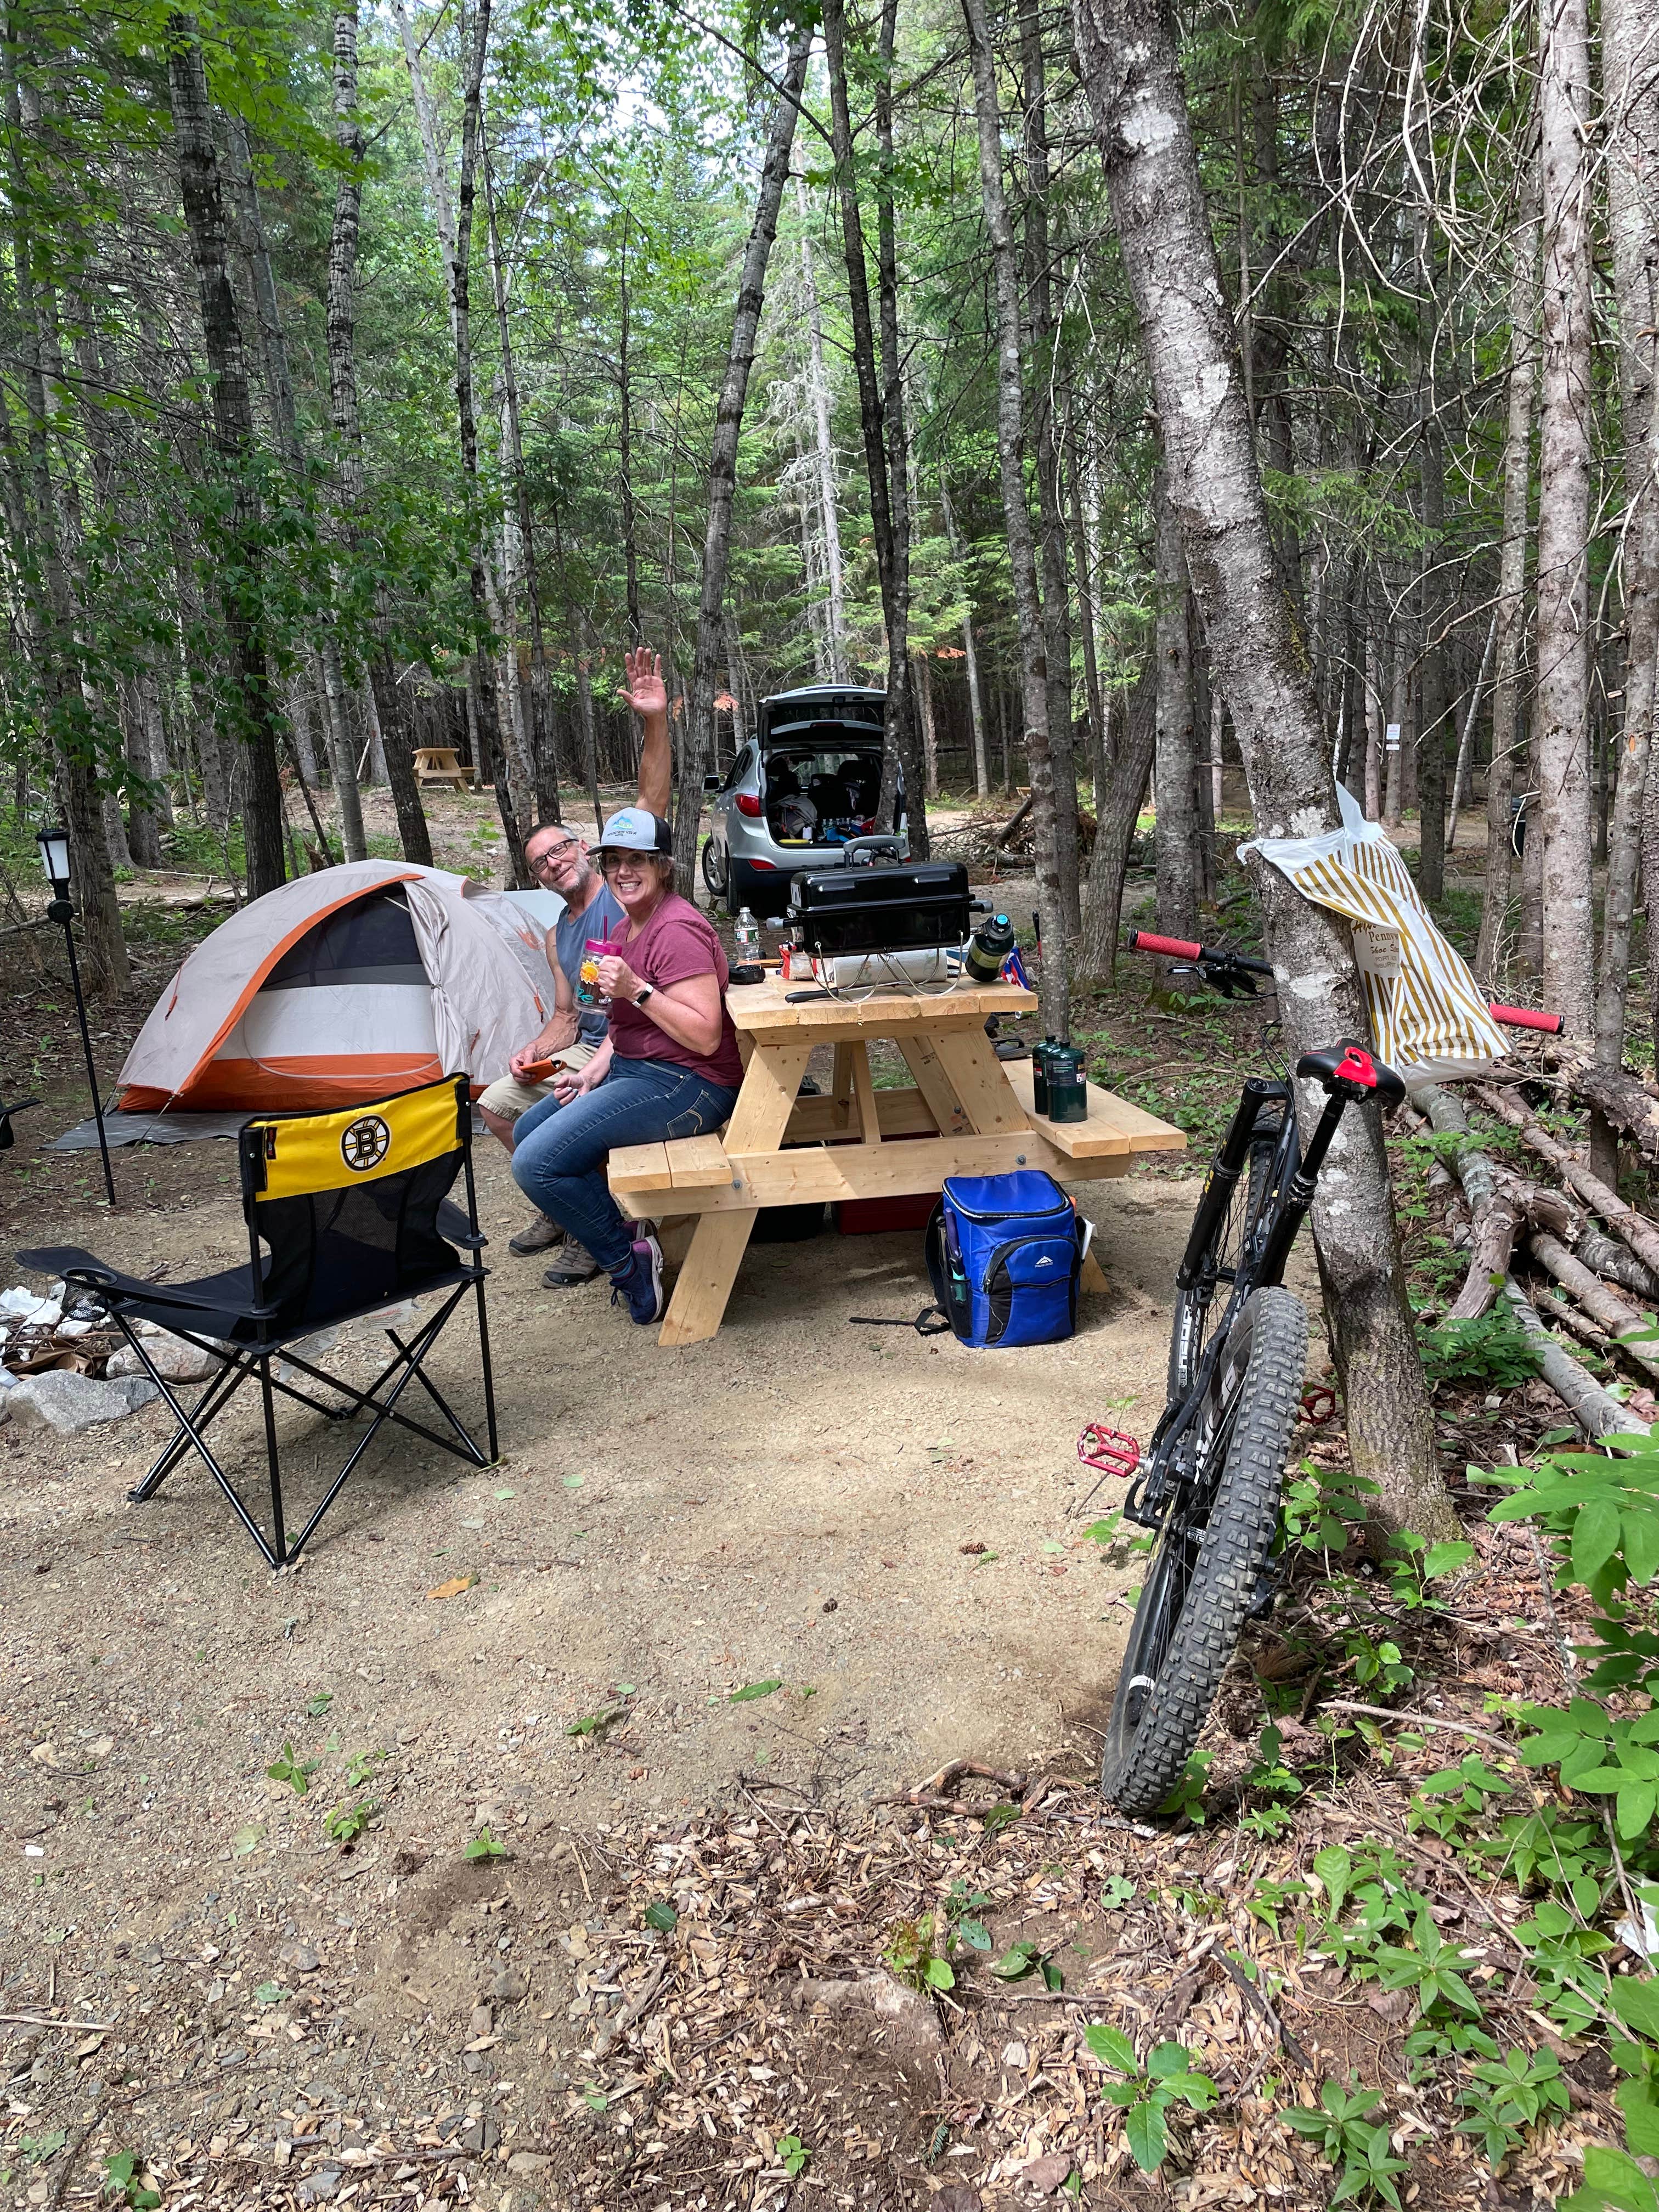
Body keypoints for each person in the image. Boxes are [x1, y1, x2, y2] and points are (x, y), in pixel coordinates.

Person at [479, 645, 673, 1281]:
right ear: (535, 876)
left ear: (584, 848)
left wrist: (653, 722)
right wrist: (532, 1050)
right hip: (584, 1045)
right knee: (496, 1104)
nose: (554, 862)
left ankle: (597, 1230)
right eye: (541, 861)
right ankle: (564, 1208)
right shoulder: (556, 931)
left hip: (633, 1044)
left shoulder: (623, 894)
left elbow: (651, 803)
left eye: (560, 849)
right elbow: (567, 1015)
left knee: (568, 1114)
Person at [509, 807, 744, 1327]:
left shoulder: (677, 927)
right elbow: (623, 1026)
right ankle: (628, 1235)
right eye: (613, 860)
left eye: (637, 859)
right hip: (639, 1071)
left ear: (664, 865)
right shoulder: (625, 925)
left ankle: (626, 1262)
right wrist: (592, 1073)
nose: (623, 871)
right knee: (526, 1129)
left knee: (536, 1164)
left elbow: (705, 1036)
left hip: (691, 1084)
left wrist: (637, 988)